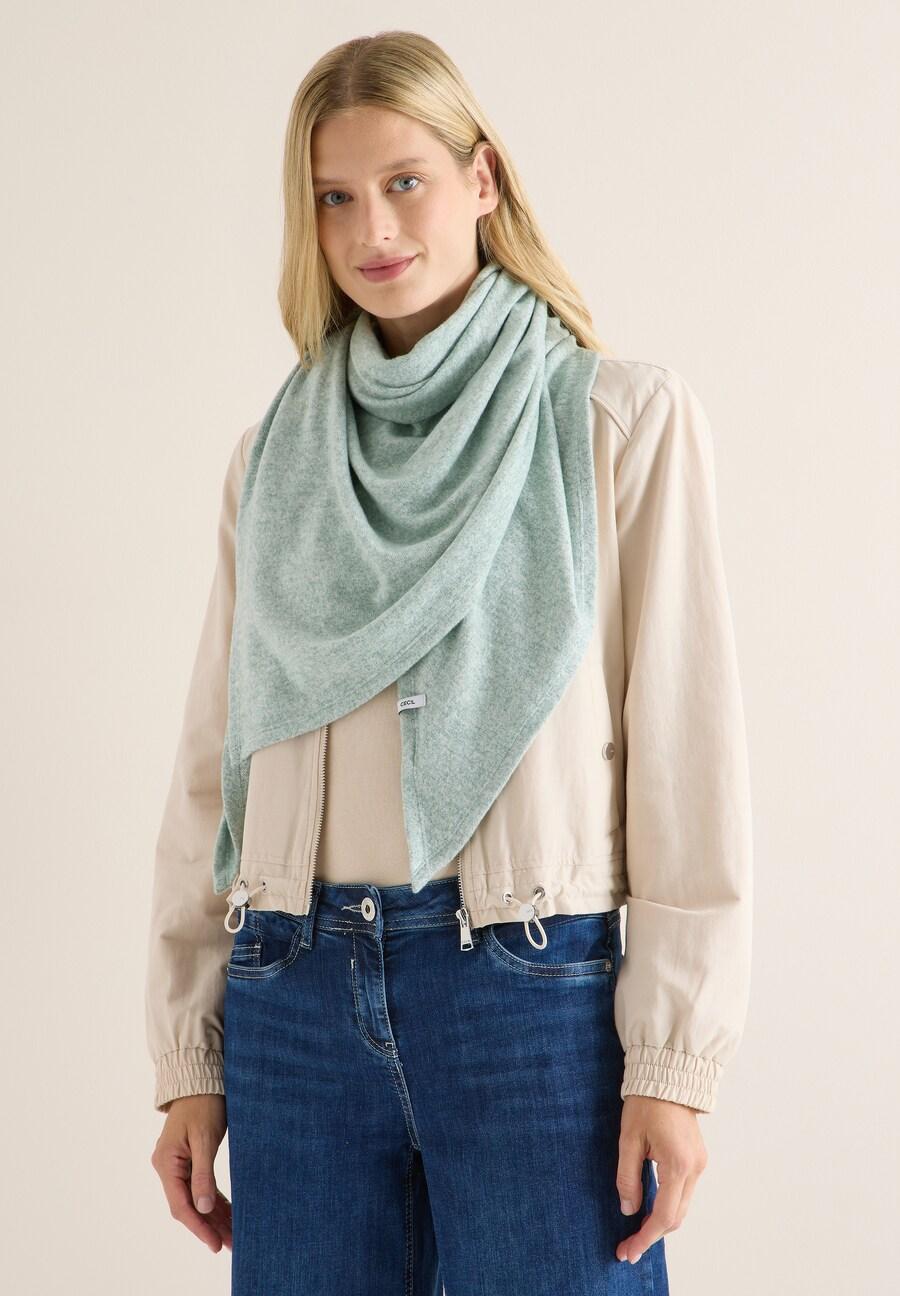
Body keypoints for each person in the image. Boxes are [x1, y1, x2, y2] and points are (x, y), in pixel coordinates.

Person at [145, 30, 753, 1296]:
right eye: (334, 197)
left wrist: (675, 1066)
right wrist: (188, 1055)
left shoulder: (615, 422)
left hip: (530, 998)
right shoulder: (275, 459)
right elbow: (217, 768)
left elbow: (686, 761)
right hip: (291, 997)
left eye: (405, 181)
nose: (372, 227)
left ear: (484, 179)